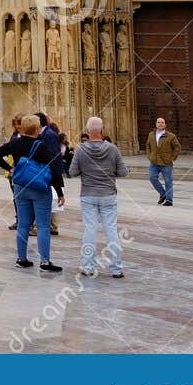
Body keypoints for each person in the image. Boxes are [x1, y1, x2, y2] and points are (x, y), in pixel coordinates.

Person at [0, 113, 62, 272]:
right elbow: (54, 169)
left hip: (20, 186)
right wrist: (59, 191)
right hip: (40, 188)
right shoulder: (42, 145)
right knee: (43, 225)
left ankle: (21, 259)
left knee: (23, 224)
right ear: (37, 128)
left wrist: (10, 168)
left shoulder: (15, 143)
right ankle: (45, 262)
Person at [68, 116, 128, 277]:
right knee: (111, 230)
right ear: (102, 130)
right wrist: (109, 171)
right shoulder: (113, 149)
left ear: (88, 131)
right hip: (108, 194)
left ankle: (88, 267)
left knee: (90, 229)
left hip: (88, 194)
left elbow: (72, 172)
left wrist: (85, 170)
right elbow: (123, 172)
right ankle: (117, 268)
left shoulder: (80, 149)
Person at [144, 116, 180, 206]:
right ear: (156, 124)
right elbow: (148, 146)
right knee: (152, 178)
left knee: (168, 181)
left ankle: (169, 200)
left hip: (166, 162)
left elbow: (177, 147)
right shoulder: (151, 135)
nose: (160, 124)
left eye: (162, 122)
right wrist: (149, 156)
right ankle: (163, 193)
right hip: (154, 162)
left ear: (165, 125)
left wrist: (172, 157)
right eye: (158, 122)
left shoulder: (171, 136)